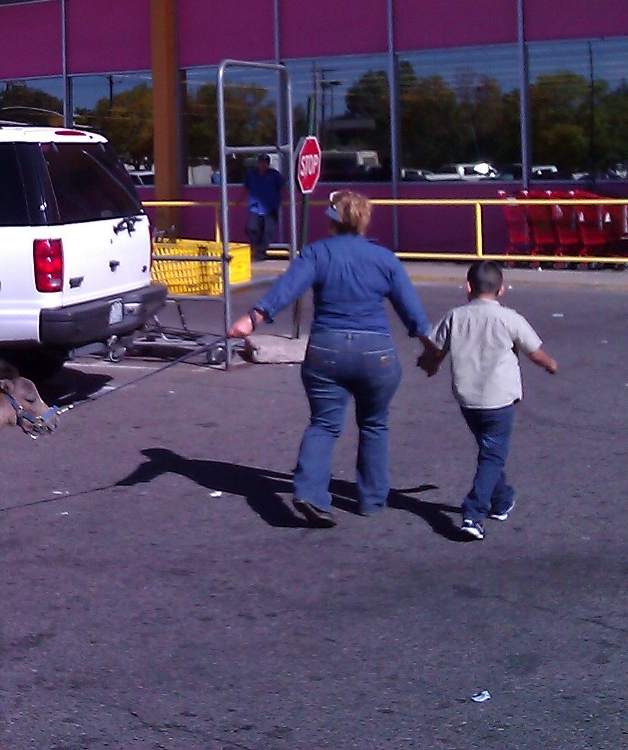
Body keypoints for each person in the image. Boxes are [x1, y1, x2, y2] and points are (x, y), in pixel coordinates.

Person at [228, 190, 433, 526]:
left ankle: (310, 494)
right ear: (365, 221)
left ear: (332, 220)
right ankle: (371, 500)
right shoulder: (385, 259)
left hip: (327, 350)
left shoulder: (317, 253)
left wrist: (251, 319)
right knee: (374, 424)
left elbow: (286, 289)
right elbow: (414, 315)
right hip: (376, 354)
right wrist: (431, 351)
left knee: (323, 423)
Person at [417, 260, 558, 541]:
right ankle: (473, 513)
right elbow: (535, 352)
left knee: (490, 451)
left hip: (468, 399)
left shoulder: (455, 317)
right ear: (501, 289)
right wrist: (551, 365)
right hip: (500, 399)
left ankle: (502, 500)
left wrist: (429, 364)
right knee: (492, 454)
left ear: (468, 287)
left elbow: (435, 349)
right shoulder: (509, 318)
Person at [242, 154, 284, 261]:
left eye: (265, 163)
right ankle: (257, 248)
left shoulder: (274, 175)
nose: (262, 165)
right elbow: (246, 188)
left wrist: (282, 201)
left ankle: (260, 253)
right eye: (261, 162)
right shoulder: (251, 174)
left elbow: (283, 188)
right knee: (251, 228)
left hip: (271, 208)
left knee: (268, 231)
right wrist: (239, 200)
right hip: (255, 207)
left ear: (268, 164)